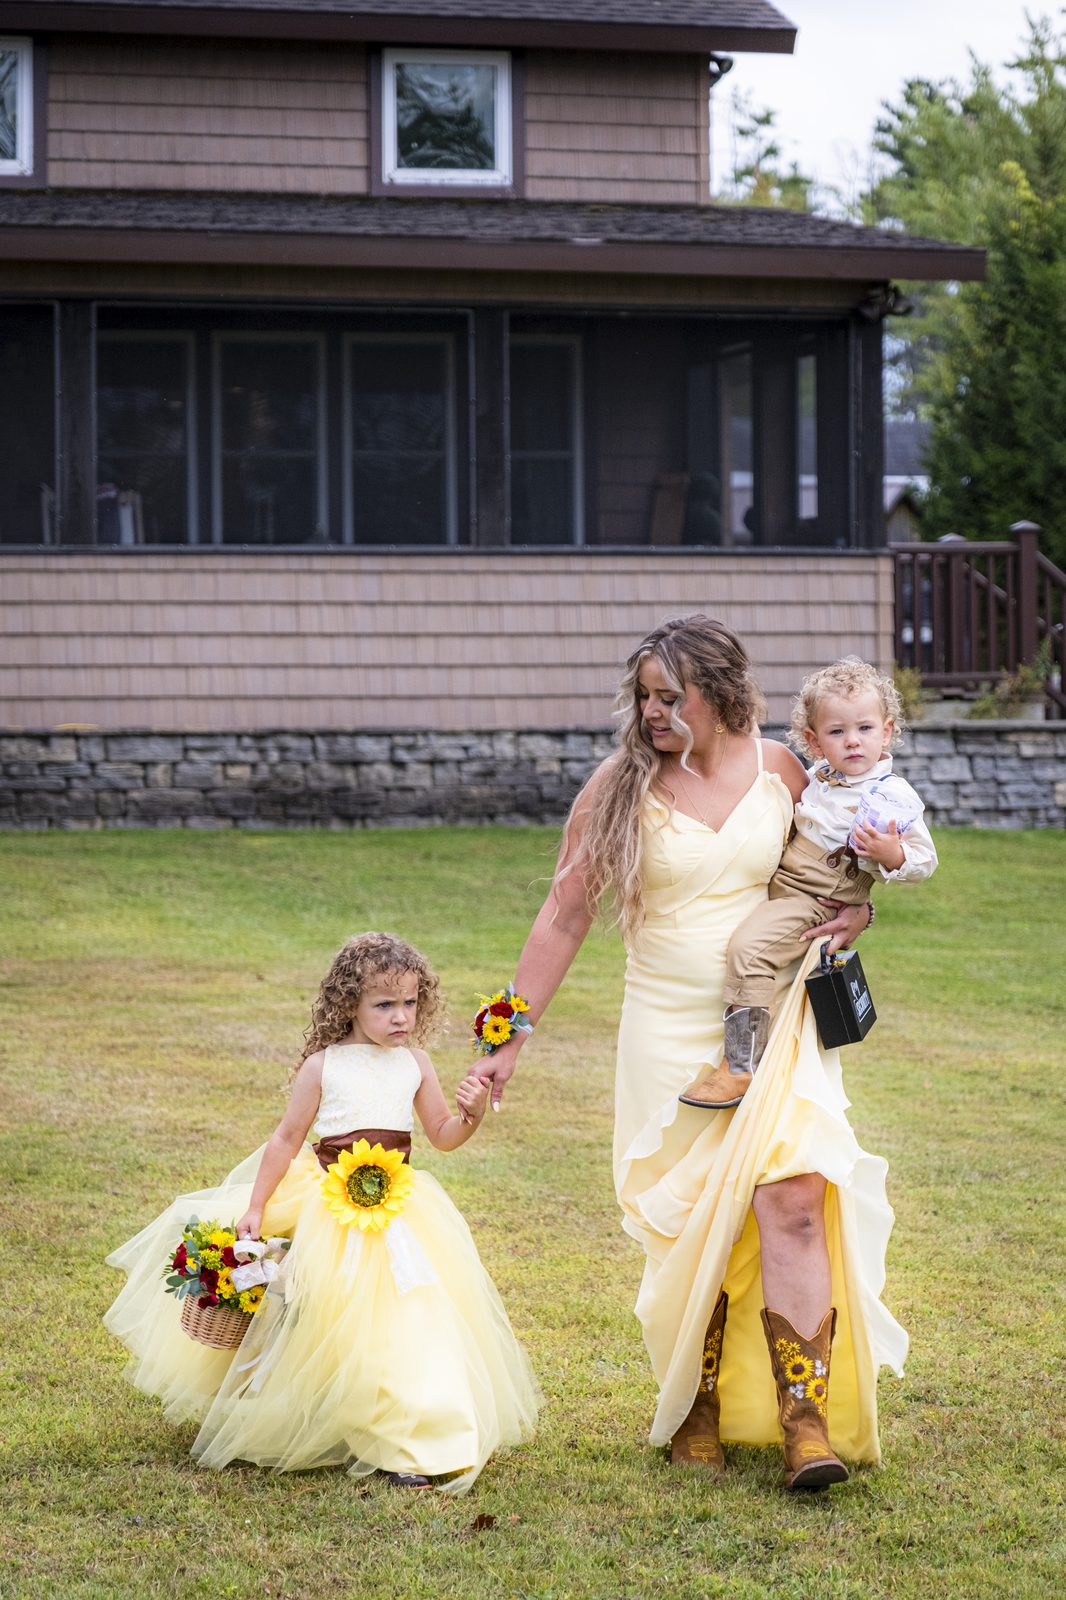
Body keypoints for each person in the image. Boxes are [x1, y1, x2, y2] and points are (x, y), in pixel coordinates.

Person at [472, 615, 907, 1490]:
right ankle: (697, 1404)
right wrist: (506, 1036)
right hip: (666, 1032)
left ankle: (805, 1422)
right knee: (692, 1222)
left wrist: (858, 910)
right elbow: (564, 914)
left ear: (721, 694)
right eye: (644, 696)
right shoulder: (618, 787)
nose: (653, 712)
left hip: (774, 1022)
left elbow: (829, 866)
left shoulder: (783, 770)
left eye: (670, 696)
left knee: (795, 1197)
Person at [104, 932, 539, 1492]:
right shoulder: (323, 1066)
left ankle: (419, 1438)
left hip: (398, 1211)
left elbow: (443, 1134)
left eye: (410, 1003)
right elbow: (286, 1139)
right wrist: (257, 1206)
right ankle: (354, 1417)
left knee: (411, 1318)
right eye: (384, 1004)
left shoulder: (416, 1064)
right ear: (349, 1004)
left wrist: (470, 1114)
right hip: (328, 1208)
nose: (400, 1017)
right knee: (339, 1322)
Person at [682, 656, 937, 1108]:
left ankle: (740, 1065)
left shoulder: (891, 796)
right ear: (814, 741)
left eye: (865, 728)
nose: (853, 741)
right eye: (837, 732)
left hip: (817, 898)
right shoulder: (820, 776)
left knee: (750, 951)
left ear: (887, 731)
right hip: (785, 884)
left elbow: (925, 859)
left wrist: (891, 854)